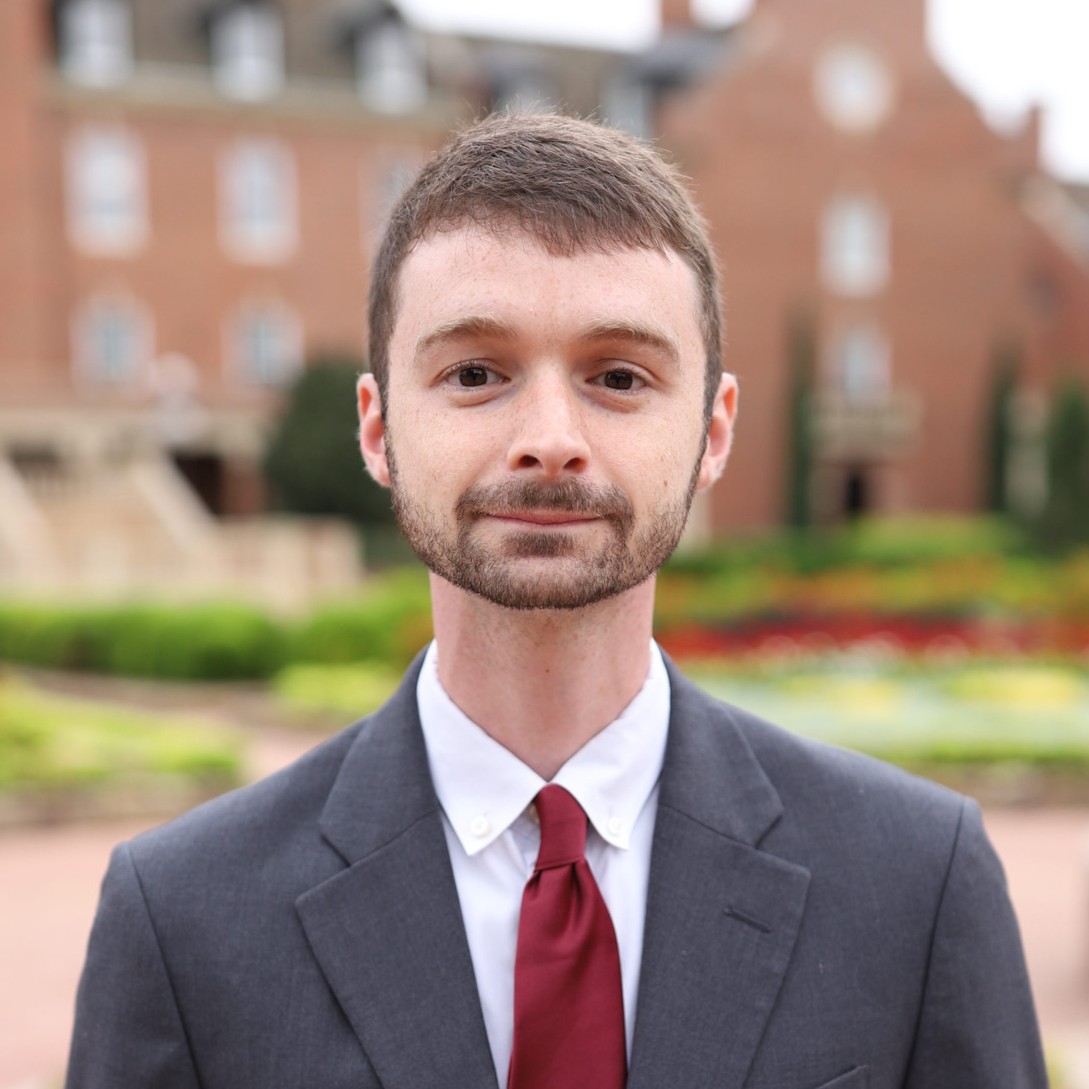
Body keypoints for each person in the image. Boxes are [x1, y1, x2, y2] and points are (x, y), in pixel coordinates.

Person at [66, 114, 1047, 1089]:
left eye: (618, 376)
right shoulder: (182, 923)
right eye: (476, 373)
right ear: (377, 429)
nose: (548, 438)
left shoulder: (917, 887)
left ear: (713, 431)